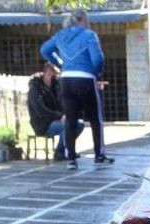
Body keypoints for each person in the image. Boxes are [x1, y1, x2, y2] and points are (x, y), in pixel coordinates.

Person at [40, 8, 113, 168]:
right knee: (95, 119)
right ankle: (99, 154)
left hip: (67, 80)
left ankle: (71, 158)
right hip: (86, 79)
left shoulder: (61, 35)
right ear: (83, 19)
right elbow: (98, 58)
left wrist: (60, 63)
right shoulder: (89, 35)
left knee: (70, 119)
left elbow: (45, 49)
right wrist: (96, 72)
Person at [26, 62, 83, 160]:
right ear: (45, 72)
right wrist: (59, 116)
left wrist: (67, 114)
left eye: (54, 73)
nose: (51, 75)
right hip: (43, 123)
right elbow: (40, 110)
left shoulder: (56, 86)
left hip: (56, 120)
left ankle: (67, 149)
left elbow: (62, 104)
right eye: (50, 72)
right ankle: (60, 152)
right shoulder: (36, 88)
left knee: (79, 124)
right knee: (68, 126)